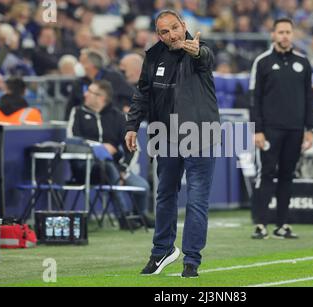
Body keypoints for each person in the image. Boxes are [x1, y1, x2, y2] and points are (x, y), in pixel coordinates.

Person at [125, 9, 219, 278]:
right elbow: (143, 92)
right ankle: (162, 251)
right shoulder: (154, 55)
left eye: (175, 28)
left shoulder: (200, 50)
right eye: (164, 31)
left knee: (197, 198)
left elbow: (206, 59)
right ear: (158, 34)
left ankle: (191, 260)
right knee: (165, 195)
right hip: (164, 135)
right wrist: (132, 125)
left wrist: (196, 51)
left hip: (200, 134)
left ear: (184, 25)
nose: (171, 35)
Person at [249, 18, 313, 240]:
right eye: (281, 32)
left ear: (293, 35)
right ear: (273, 35)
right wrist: (257, 129)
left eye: (288, 32)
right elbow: (254, 98)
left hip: (295, 129)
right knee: (266, 174)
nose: (285, 36)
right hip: (270, 130)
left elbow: (309, 98)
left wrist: (310, 128)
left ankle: (282, 225)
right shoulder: (262, 62)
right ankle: (260, 224)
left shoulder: (303, 63)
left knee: (288, 176)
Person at [67, 80, 152, 229]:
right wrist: (100, 148)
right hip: (87, 167)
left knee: (142, 186)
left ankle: (140, 215)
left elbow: (132, 147)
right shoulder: (78, 112)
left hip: (116, 168)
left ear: (101, 97)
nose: (85, 94)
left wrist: (123, 170)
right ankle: (124, 218)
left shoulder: (117, 116)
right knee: (109, 169)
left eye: (90, 91)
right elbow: (73, 141)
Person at [65, 48, 136, 118]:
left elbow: (131, 95)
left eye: (82, 62)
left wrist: (122, 107)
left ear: (92, 64)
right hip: (86, 121)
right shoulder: (78, 82)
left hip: (111, 120)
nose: (78, 65)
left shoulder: (113, 78)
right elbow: (70, 107)